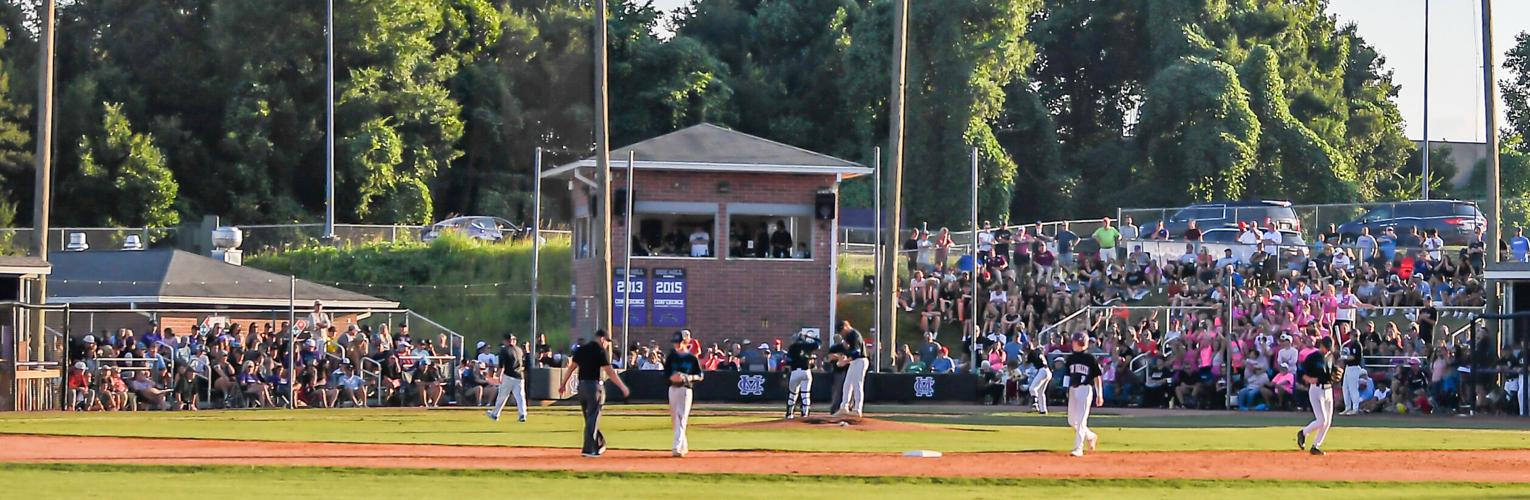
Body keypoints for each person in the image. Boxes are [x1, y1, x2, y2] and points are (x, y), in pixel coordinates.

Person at [559, 330, 631, 457]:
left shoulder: (582, 349)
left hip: (581, 387)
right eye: (607, 342)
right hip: (594, 387)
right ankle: (589, 449)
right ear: (602, 339)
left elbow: (571, 368)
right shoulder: (599, 350)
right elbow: (610, 372)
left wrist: (563, 384)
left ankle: (599, 443)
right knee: (593, 418)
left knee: (589, 419)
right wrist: (623, 387)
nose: (607, 345)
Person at [664, 330, 704, 457]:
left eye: (679, 342)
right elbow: (665, 374)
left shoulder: (691, 358)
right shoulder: (671, 357)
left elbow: (700, 375)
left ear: (685, 342)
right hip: (673, 388)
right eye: (675, 342)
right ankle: (683, 446)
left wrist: (688, 377)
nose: (676, 345)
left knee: (681, 417)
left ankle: (676, 447)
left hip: (686, 389)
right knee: (675, 419)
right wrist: (672, 377)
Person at [1297, 336, 1337, 455]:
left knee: (1327, 422)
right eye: (1327, 348)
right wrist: (1308, 379)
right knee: (1321, 420)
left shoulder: (1330, 357)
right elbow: (1300, 372)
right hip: (1316, 390)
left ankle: (1316, 446)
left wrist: (1337, 373)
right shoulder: (1313, 357)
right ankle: (1303, 432)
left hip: (1329, 390)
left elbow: (1332, 372)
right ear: (1321, 346)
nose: (1328, 350)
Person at [1065, 332, 1103, 457]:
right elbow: (1067, 375)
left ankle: (1078, 448)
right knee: (1072, 420)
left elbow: (1097, 377)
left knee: (1081, 420)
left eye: (1076, 341)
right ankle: (1090, 436)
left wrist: (1099, 394)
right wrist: (1066, 390)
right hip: (1073, 389)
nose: (1074, 343)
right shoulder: (1070, 358)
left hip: (1085, 389)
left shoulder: (1089, 358)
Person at [488, 334, 528, 422]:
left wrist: (499, 376)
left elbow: (502, 366)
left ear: (506, 340)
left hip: (508, 376)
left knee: (502, 396)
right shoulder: (519, 350)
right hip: (520, 376)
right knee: (520, 396)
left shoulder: (504, 350)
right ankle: (523, 414)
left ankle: (495, 414)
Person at [833, 321, 869, 419]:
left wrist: (845, 361)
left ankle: (857, 409)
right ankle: (844, 407)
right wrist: (843, 358)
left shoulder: (854, 335)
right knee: (847, 384)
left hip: (860, 360)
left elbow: (857, 352)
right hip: (854, 361)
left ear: (846, 327)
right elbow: (849, 351)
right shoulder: (848, 336)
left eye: (842, 330)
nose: (841, 333)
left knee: (857, 384)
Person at [785, 330, 820, 419]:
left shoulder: (792, 347)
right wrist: (810, 337)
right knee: (805, 394)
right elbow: (819, 343)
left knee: (793, 394)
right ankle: (805, 414)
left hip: (795, 371)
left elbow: (788, 361)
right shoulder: (808, 345)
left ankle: (790, 413)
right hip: (806, 371)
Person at [1339, 332, 1364, 416]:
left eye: (1351, 335)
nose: (1350, 337)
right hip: (1348, 368)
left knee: (1353, 388)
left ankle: (1355, 408)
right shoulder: (1351, 345)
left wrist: (1343, 357)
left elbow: (1353, 357)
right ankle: (1348, 407)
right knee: (1345, 387)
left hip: (1354, 368)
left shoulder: (1357, 345)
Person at [1027, 345, 1051, 414]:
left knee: (1032, 388)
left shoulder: (1032, 353)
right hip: (1047, 371)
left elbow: (1027, 362)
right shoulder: (1038, 352)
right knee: (1041, 392)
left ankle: (1035, 404)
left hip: (1042, 371)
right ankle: (1043, 410)